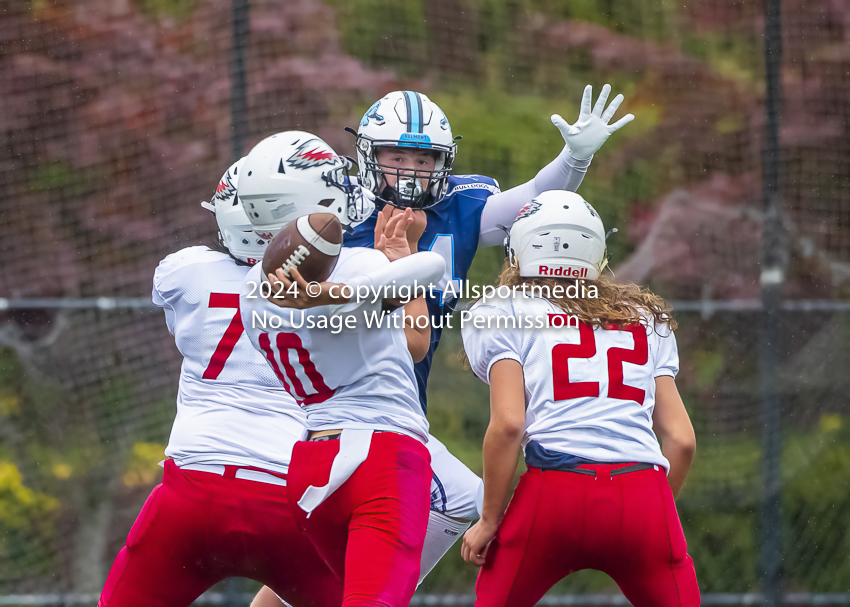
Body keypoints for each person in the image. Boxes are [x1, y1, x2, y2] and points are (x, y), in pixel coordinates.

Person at [97, 158, 349, 607]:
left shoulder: (186, 271)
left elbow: (185, 325)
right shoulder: (338, 284)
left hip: (191, 492)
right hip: (287, 496)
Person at [459, 190, 700, 607]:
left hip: (554, 495)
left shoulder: (505, 309)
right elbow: (682, 441)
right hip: (642, 490)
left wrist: (488, 520)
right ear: (597, 253)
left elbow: (509, 424)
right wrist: (652, 514)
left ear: (517, 250)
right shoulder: (644, 318)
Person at [239, 131, 448, 606]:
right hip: (382, 458)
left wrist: (329, 293)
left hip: (312, 465)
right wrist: (393, 262)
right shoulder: (356, 267)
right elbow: (429, 285)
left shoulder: (248, 292)